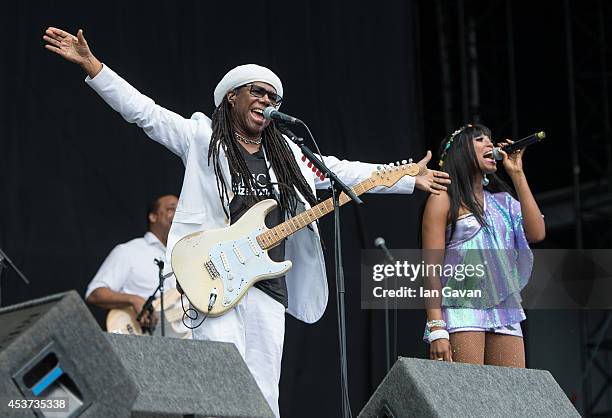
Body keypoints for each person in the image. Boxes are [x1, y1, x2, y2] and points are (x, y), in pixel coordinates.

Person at [43, 27, 450, 416]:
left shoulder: (289, 154)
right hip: (215, 276)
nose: (266, 99)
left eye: (272, 96)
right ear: (232, 97)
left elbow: (342, 171)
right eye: (258, 91)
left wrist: (407, 178)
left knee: (264, 389)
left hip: (266, 285)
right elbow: (144, 113)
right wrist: (94, 67)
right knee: (223, 384)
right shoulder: (203, 138)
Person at [421, 123, 545, 368]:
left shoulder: (503, 202)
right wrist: (436, 327)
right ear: (460, 152)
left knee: (511, 394)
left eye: (490, 139)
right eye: (480, 140)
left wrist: (517, 174)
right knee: (469, 395)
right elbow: (431, 270)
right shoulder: (442, 199)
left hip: (505, 310)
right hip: (463, 310)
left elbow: (537, 232)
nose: (490, 143)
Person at [86, 194, 178, 330]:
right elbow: (95, 293)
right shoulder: (129, 251)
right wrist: (133, 300)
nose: (178, 214)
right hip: (141, 334)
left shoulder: (184, 256)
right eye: (172, 209)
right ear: (153, 217)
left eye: (181, 210)